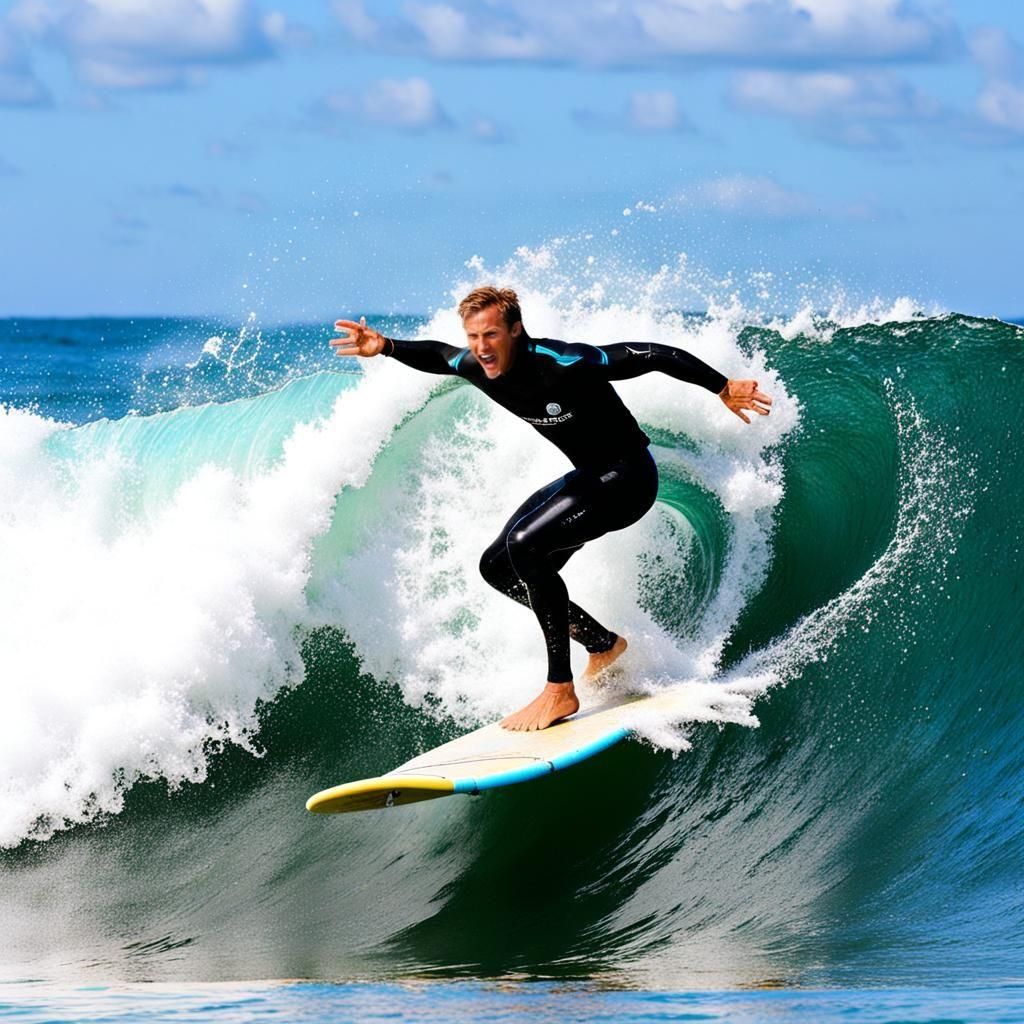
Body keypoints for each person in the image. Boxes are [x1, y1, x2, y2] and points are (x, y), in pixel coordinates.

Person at [331, 286, 771, 732]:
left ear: (516, 330)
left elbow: (651, 354)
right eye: (473, 336)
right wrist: (384, 347)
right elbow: (438, 355)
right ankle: (603, 645)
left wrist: (723, 385)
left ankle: (559, 688)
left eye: (491, 335)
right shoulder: (476, 365)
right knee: (498, 566)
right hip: (589, 477)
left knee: (525, 546)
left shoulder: (564, 363)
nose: (481, 348)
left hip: (629, 479)